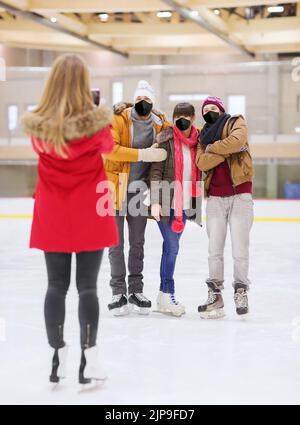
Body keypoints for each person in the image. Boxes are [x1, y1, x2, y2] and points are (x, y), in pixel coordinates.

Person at [21, 54, 118, 385]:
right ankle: (89, 361)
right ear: (83, 87)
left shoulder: (40, 131)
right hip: (90, 210)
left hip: (53, 212)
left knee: (55, 286)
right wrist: (95, 113)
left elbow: (47, 143)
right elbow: (109, 144)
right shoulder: (98, 128)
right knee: (88, 288)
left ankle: (57, 358)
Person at [104, 80, 169, 316]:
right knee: (115, 243)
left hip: (139, 191)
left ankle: (135, 290)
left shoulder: (159, 124)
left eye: (148, 100)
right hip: (114, 187)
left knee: (137, 243)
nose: (143, 103)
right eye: (140, 99)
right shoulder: (119, 119)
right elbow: (110, 148)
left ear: (153, 103)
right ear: (135, 100)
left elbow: (176, 139)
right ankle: (118, 292)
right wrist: (144, 153)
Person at [196, 96, 254, 318]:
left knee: (240, 249)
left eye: (213, 108)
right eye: (206, 109)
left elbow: (238, 140)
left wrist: (214, 150)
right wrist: (228, 148)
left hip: (241, 194)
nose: (210, 111)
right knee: (214, 250)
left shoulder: (236, 121)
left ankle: (241, 290)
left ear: (221, 109)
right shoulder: (203, 136)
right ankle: (215, 296)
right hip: (215, 198)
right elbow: (202, 163)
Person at [150, 103, 202, 317]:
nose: (182, 120)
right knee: (172, 248)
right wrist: (155, 202)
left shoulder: (198, 143)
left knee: (169, 248)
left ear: (193, 118)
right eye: (178, 116)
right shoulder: (166, 140)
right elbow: (156, 172)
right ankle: (168, 292)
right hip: (165, 202)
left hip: (184, 205)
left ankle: (163, 296)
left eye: (186, 116)